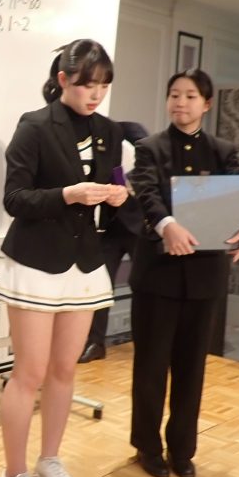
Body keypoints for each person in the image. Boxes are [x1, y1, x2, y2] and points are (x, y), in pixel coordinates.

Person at [0, 39, 129, 477]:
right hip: (36, 261)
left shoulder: (110, 131)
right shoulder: (34, 125)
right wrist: (68, 194)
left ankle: (49, 459)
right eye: (89, 84)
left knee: (65, 370)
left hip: (84, 263)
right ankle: (13, 474)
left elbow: (115, 184)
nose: (96, 94)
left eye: (104, 85)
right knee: (28, 373)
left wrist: (118, 196)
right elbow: (14, 198)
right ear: (63, 79)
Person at [128, 69, 239, 477]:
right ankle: (147, 445)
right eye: (174, 94)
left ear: (206, 104)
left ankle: (182, 448)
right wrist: (166, 224)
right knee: (151, 366)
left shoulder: (223, 150)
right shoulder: (150, 147)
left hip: (205, 277)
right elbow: (146, 193)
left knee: (192, 368)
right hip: (158, 276)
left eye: (190, 96)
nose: (180, 102)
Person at [79, 120, 148, 363]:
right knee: (99, 287)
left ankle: (148, 345)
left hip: (140, 227)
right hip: (109, 228)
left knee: (145, 288)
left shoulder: (132, 141)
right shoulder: (98, 149)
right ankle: (95, 343)